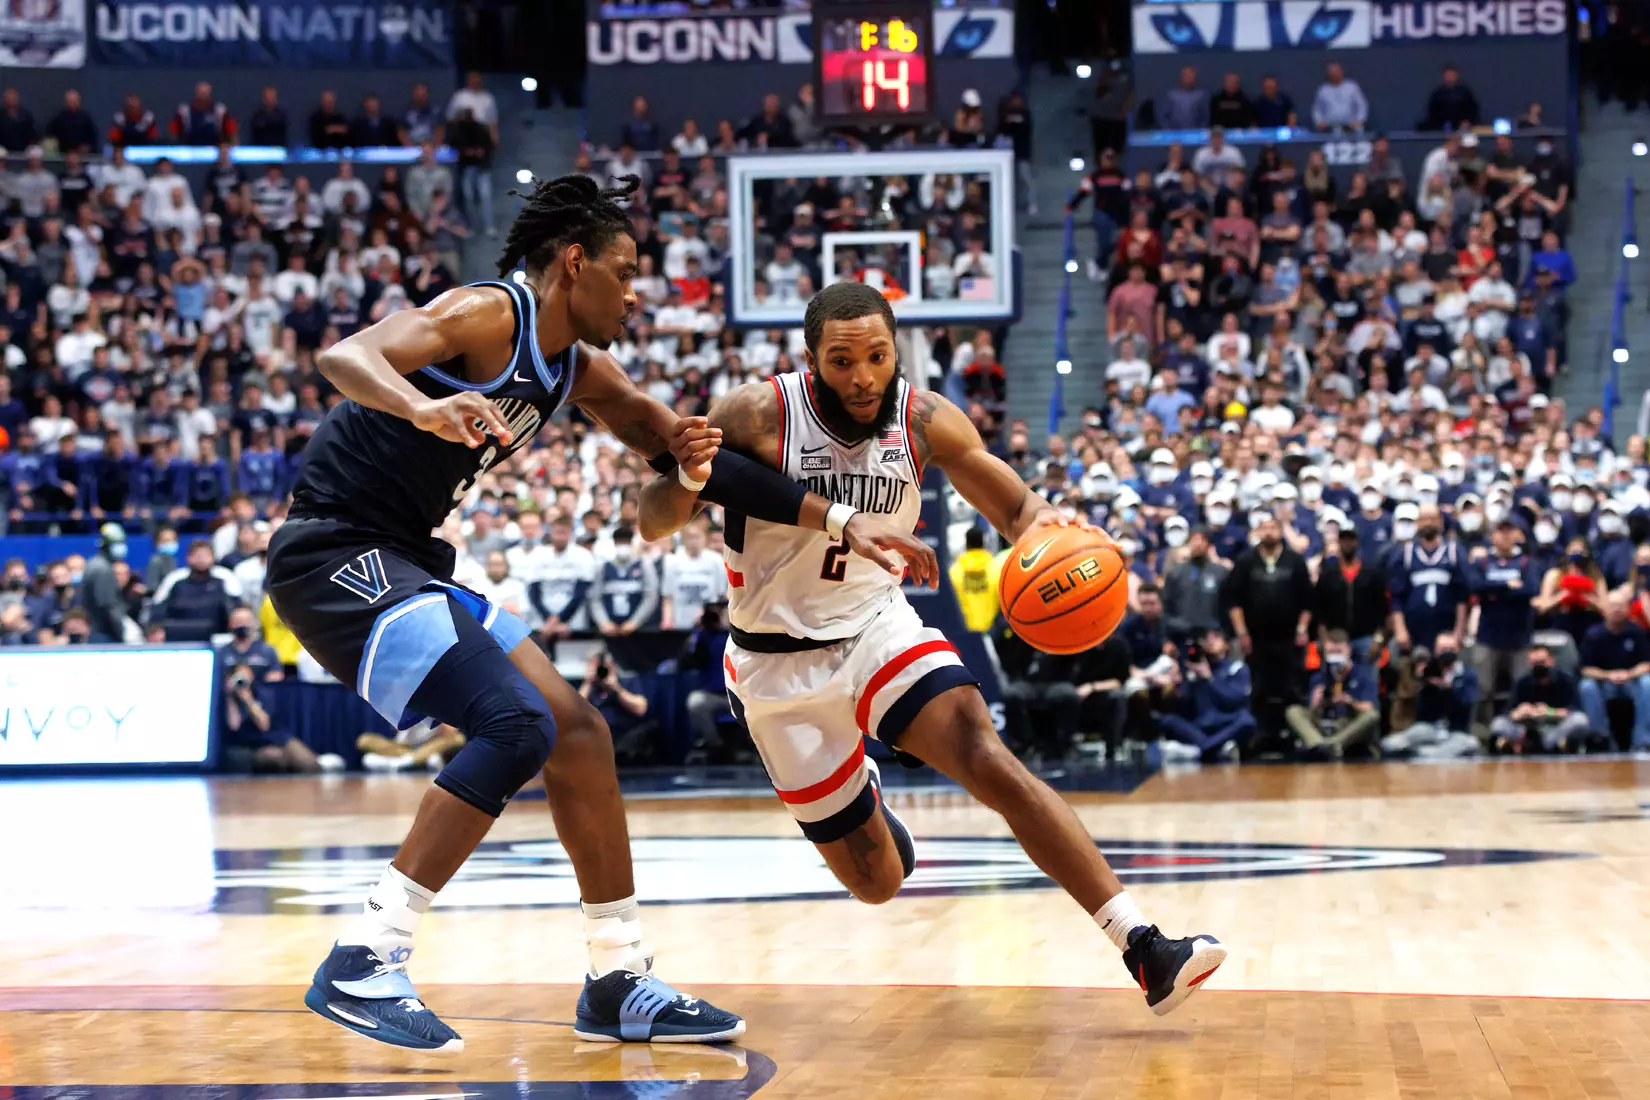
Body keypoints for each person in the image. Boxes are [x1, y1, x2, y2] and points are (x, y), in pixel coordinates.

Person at [263, 175, 934, 1051]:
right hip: (333, 556)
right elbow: (345, 357)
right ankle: (365, 955)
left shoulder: (579, 368)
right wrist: (426, 406)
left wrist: (835, 517)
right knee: (515, 723)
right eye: (625, 272)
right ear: (575, 263)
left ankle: (617, 978)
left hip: (410, 558)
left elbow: (693, 459)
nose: (634, 293)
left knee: (579, 733)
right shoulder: (488, 314)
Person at [636, 281, 1225, 1016]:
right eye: (842, 361)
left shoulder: (922, 420)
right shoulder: (757, 413)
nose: (863, 377)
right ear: (812, 361)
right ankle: (868, 797)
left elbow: (1018, 507)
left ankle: (1143, 946)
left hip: (876, 626)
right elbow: (652, 519)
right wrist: (688, 475)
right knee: (877, 883)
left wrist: (1055, 528)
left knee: (985, 753)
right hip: (776, 663)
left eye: (877, 357)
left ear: (897, 352)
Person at [1221, 511, 1314, 738]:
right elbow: (1233, 601)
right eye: (1264, 527)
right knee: (1258, 687)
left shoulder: (1294, 560)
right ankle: (1258, 734)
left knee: (1291, 687)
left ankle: (1294, 733)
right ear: (1257, 531)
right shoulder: (1246, 561)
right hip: (1256, 638)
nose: (1269, 532)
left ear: (1281, 532)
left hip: (1288, 637)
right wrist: (1242, 633)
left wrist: (1302, 628)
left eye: (1273, 527)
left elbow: (1307, 599)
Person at [1156, 627, 1254, 762]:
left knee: (1247, 721)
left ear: (1226, 645)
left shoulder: (1237, 668)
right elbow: (1186, 706)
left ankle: (1200, 750)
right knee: (1168, 720)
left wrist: (1209, 678)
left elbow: (1233, 700)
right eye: (1208, 638)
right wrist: (1178, 688)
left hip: (1226, 721)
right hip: (1202, 724)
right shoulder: (1195, 668)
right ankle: (1217, 747)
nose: (1211, 641)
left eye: (1216, 637)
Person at [1287, 629, 1380, 756]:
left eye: (1338, 652)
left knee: (1371, 716)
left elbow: (1370, 708)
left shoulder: (1362, 674)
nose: (1334, 657)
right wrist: (1315, 702)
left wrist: (1349, 701)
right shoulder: (1319, 676)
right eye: (1330, 652)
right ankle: (1318, 744)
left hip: (1347, 726)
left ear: (1348, 650)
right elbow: (1311, 711)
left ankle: (1334, 744)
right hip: (1323, 723)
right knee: (1293, 711)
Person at [1576, 593, 1650, 751]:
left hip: (1631, 683)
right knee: (1586, 686)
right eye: (1613, 605)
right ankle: (1600, 739)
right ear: (1604, 609)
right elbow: (1586, 669)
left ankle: (1642, 741)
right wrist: (1609, 675)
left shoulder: (1637, 632)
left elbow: (1646, 664)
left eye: (1621, 605)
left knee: (1647, 683)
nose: (1617, 609)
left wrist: (1629, 675)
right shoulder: (1593, 635)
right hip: (1604, 684)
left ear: (1628, 609)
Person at [1490, 643, 1590, 753]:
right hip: (1526, 728)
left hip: (1554, 727)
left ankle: (1548, 743)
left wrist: (1549, 712)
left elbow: (1574, 711)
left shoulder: (1566, 681)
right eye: (1535, 663)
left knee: (1580, 720)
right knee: (1497, 724)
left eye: (1542, 662)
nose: (1539, 667)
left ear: (1551, 661)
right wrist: (1520, 712)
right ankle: (1527, 742)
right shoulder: (1522, 682)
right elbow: (1508, 713)